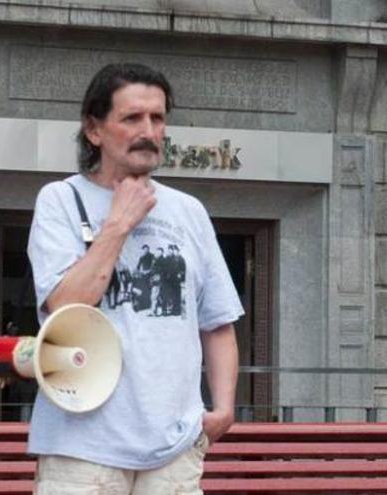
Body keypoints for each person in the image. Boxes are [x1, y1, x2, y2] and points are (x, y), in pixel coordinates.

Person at [27, 63, 242, 494]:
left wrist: (223, 408)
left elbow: (217, 321)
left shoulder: (188, 211)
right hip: (82, 446)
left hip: (174, 446)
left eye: (157, 118)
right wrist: (117, 224)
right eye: (131, 118)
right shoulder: (60, 201)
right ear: (94, 130)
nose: (148, 130)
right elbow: (66, 308)